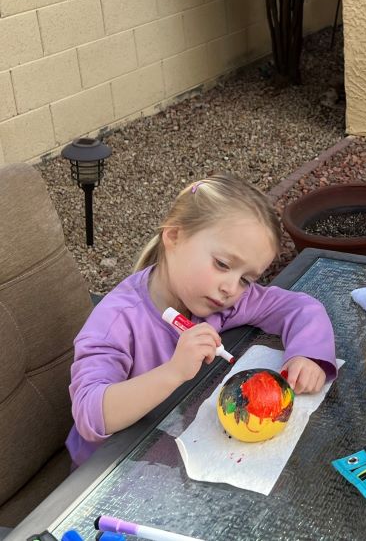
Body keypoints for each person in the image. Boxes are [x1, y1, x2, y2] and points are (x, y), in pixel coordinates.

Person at [67, 175, 337, 466]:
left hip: (189, 448)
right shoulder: (117, 321)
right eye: (222, 264)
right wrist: (174, 372)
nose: (231, 288)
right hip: (115, 472)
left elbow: (299, 307)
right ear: (174, 237)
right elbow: (90, 414)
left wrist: (308, 354)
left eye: (246, 279)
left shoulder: (221, 299)